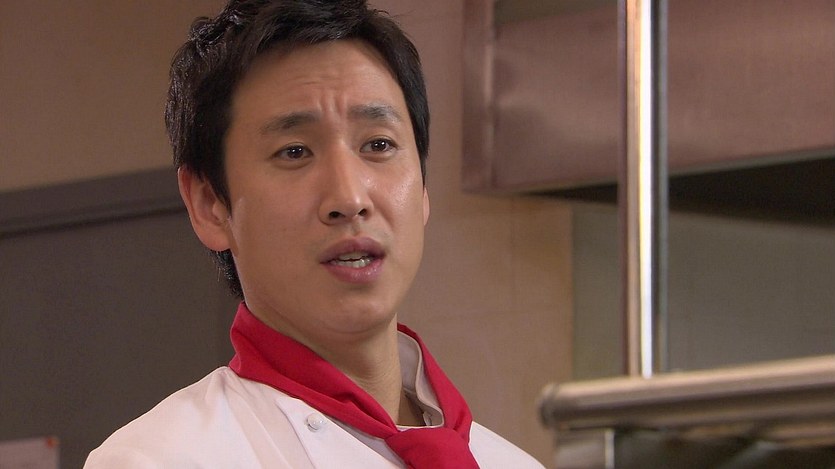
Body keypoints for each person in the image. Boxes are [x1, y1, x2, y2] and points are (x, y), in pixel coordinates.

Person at [84, 1, 544, 468]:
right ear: (209, 205)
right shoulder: (162, 459)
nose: (350, 197)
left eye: (378, 144)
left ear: (423, 187)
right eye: (294, 152)